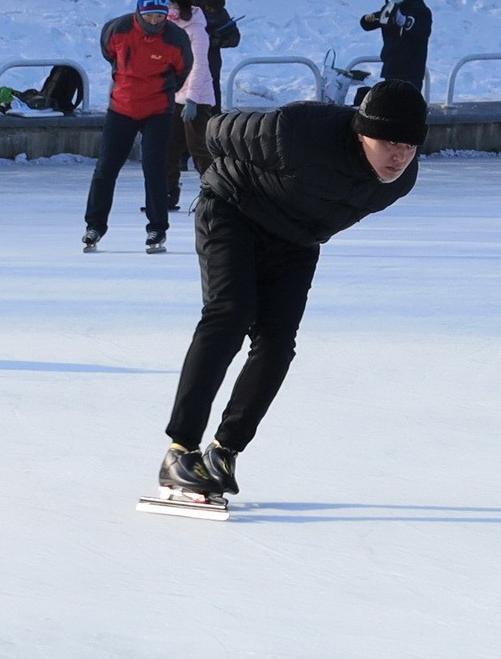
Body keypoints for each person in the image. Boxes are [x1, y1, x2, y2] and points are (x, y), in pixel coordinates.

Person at [156, 80, 428, 498]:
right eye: (389, 141)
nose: (399, 156)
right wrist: (225, 182)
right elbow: (215, 132)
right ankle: (180, 450)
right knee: (230, 313)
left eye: (409, 146)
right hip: (233, 210)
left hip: (296, 239)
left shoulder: (400, 181)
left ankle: (224, 450)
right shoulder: (299, 132)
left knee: (277, 342)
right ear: (361, 130)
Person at [82, 0, 192, 253]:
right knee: (106, 168)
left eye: (160, 15)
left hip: (158, 110)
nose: (154, 21)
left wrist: (163, 91)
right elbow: (108, 53)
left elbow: (183, 69)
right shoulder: (117, 29)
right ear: (139, 11)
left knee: (154, 168)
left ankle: (157, 228)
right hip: (122, 108)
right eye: (149, 15)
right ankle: (94, 225)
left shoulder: (175, 38)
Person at [164, 0, 215, 210]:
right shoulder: (169, 25)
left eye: (171, 2)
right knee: (168, 147)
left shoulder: (197, 30)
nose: (168, 6)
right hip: (173, 96)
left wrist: (192, 99)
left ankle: (213, 194)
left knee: (199, 149)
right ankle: (168, 192)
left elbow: (200, 66)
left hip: (197, 98)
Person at [359, 0, 432, 93]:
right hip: (391, 68)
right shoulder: (389, 8)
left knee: (408, 106)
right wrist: (367, 19)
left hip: (412, 70)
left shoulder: (420, 10)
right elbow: (372, 22)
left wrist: (404, 21)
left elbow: (422, 31)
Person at [196, 0, 240, 111]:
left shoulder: (222, 15)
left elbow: (235, 38)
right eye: (208, 7)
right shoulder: (193, 3)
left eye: (214, 9)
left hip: (210, 52)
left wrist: (219, 42)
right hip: (188, 50)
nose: (210, 10)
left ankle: (215, 115)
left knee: (212, 82)